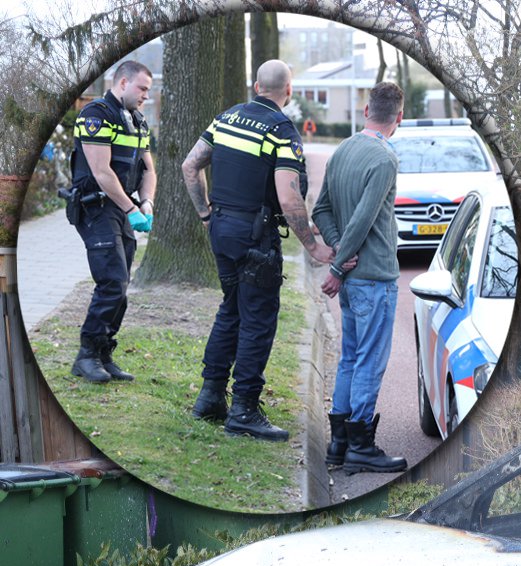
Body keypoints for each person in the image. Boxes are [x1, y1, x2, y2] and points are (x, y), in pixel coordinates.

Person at [181, 59, 335, 440]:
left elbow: (190, 165)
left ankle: (210, 396)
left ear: (256, 86)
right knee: (258, 320)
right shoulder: (281, 130)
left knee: (232, 308)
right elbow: (289, 196)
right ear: (289, 90)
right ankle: (244, 410)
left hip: (221, 229)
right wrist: (313, 247)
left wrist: (205, 214)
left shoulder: (226, 119)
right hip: (255, 237)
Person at [312, 81, 407, 474]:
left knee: (350, 356)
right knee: (369, 359)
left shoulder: (343, 149)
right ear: (399, 116)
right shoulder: (384, 159)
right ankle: (361, 446)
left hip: (354, 279)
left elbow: (321, 210)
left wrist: (337, 249)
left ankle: (339, 444)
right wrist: (338, 266)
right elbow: (363, 220)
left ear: (367, 110)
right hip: (374, 276)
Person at [67, 60, 155, 383]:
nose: (146, 95)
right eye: (142, 88)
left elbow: (149, 169)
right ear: (123, 83)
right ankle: (86, 356)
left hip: (122, 207)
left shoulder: (138, 121)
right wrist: (131, 209)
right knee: (112, 282)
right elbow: (101, 171)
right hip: (95, 208)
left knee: (121, 286)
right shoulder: (95, 115)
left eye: (148, 90)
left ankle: (104, 354)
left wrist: (146, 202)